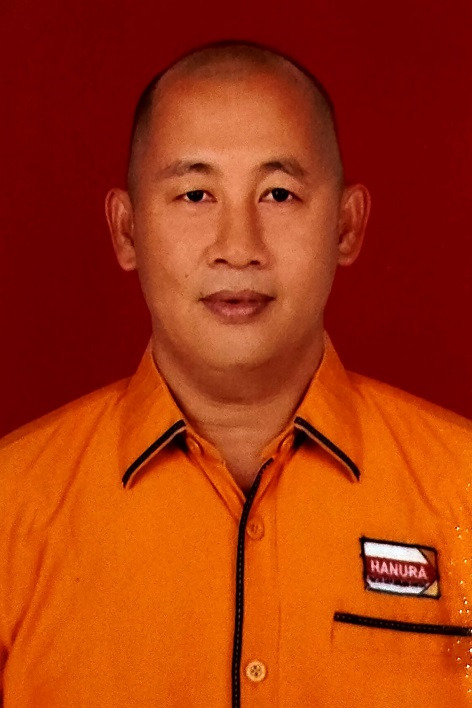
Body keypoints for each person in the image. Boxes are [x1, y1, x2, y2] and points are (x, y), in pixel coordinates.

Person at [0, 39, 471, 708]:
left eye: (278, 194)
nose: (238, 247)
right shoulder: (14, 512)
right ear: (127, 232)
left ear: (346, 226)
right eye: (195, 194)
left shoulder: (462, 497)